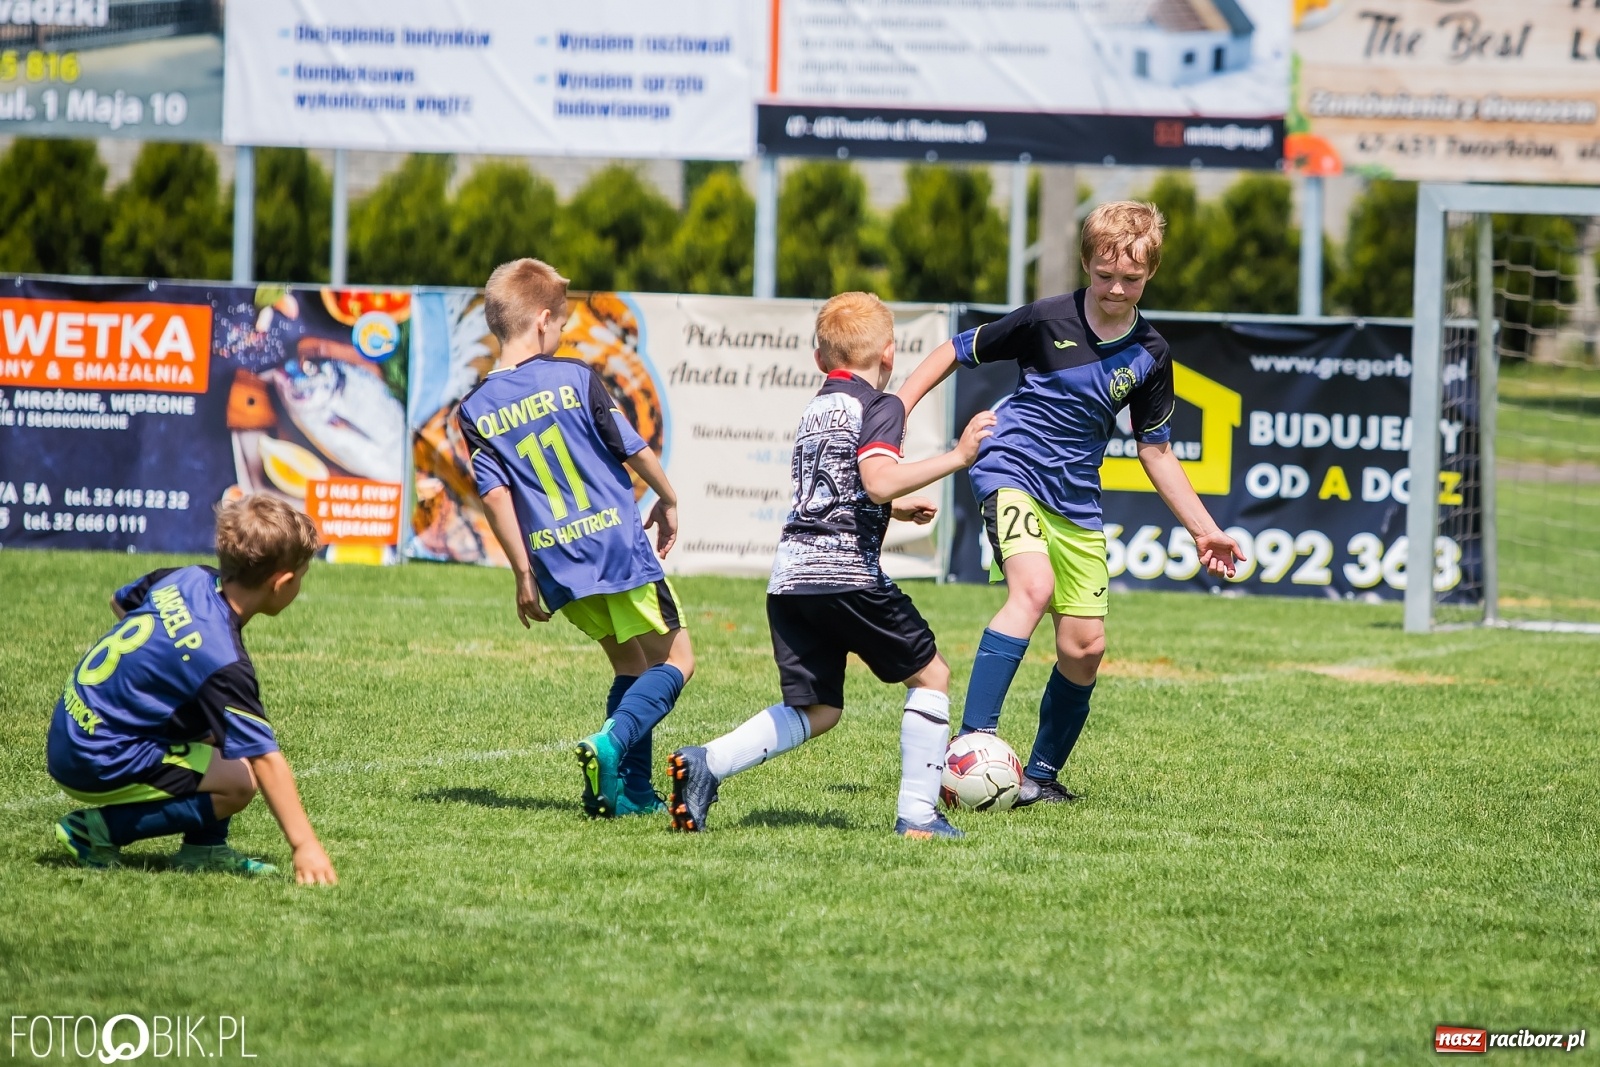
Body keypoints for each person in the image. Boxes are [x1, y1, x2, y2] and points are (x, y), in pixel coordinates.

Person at [896, 201, 1244, 805]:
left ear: (1150, 276)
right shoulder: (1044, 317)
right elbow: (956, 348)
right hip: (1010, 468)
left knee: (1085, 649)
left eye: (1130, 279)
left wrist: (1203, 530)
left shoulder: (1152, 354)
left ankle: (1041, 776)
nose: (1115, 288)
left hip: (1076, 500)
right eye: (1104, 274)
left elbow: (1155, 451)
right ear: (1086, 263)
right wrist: (896, 409)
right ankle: (970, 746)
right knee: (1030, 589)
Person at [666, 292, 996, 838]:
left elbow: (840, 485)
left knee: (819, 708)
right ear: (889, 355)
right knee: (932, 676)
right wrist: (957, 458)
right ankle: (918, 817)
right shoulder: (881, 406)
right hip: (845, 574)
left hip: (792, 578)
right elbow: (874, 478)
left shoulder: (818, 406)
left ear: (820, 359)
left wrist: (892, 506)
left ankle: (709, 762)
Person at [459, 258, 692, 819]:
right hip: (617, 548)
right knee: (678, 661)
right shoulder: (573, 377)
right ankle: (611, 743)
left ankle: (632, 793)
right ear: (542, 321)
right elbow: (630, 446)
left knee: (629, 665)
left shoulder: (474, 410)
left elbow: (496, 498)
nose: (562, 333)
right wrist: (669, 496)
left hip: (558, 564)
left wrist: (521, 572)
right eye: (561, 323)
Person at [48, 494, 337, 884]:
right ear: (281, 582)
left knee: (217, 727)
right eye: (302, 574)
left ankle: (204, 850)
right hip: (96, 754)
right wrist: (305, 845)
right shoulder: (221, 661)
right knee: (239, 781)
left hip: (73, 725)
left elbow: (123, 601)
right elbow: (265, 758)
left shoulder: (188, 577)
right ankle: (97, 830)